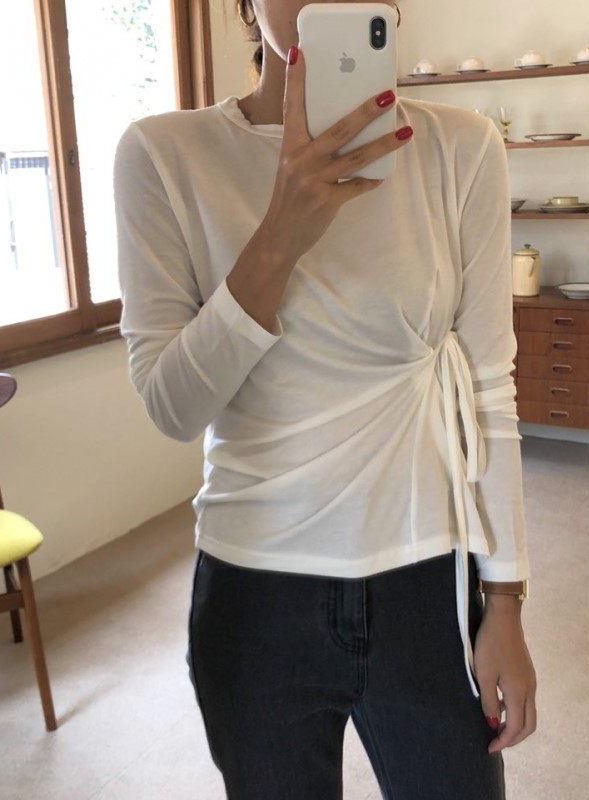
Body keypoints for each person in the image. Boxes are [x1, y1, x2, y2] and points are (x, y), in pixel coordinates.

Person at [115, 1, 537, 797]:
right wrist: (281, 231)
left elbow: (490, 388)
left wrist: (505, 600)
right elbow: (173, 408)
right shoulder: (164, 155)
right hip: (255, 591)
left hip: (426, 577)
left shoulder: (462, 148)